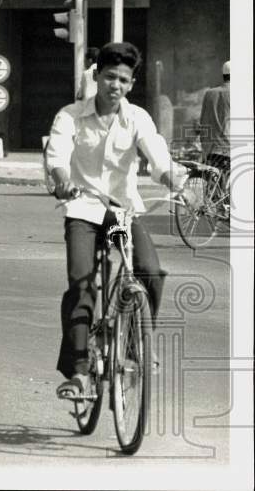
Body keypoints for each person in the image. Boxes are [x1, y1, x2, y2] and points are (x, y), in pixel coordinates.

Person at [46, 42, 198, 400]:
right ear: (97, 76)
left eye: (124, 80)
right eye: (110, 77)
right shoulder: (69, 115)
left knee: (150, 271)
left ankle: (134, 347)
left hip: (120, 213)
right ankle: (79, 372)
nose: (116, 85)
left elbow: (157, 157)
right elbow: (58, 153)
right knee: (81, 285)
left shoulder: (137, 118)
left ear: (131, 84)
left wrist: (174, 179)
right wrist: (62, 179)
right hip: (83, 209)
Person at [199, 60, 231, 186]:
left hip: (209, 149)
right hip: (227, 147)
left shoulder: (209, 93)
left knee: (213, 187)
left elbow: (203, 120)